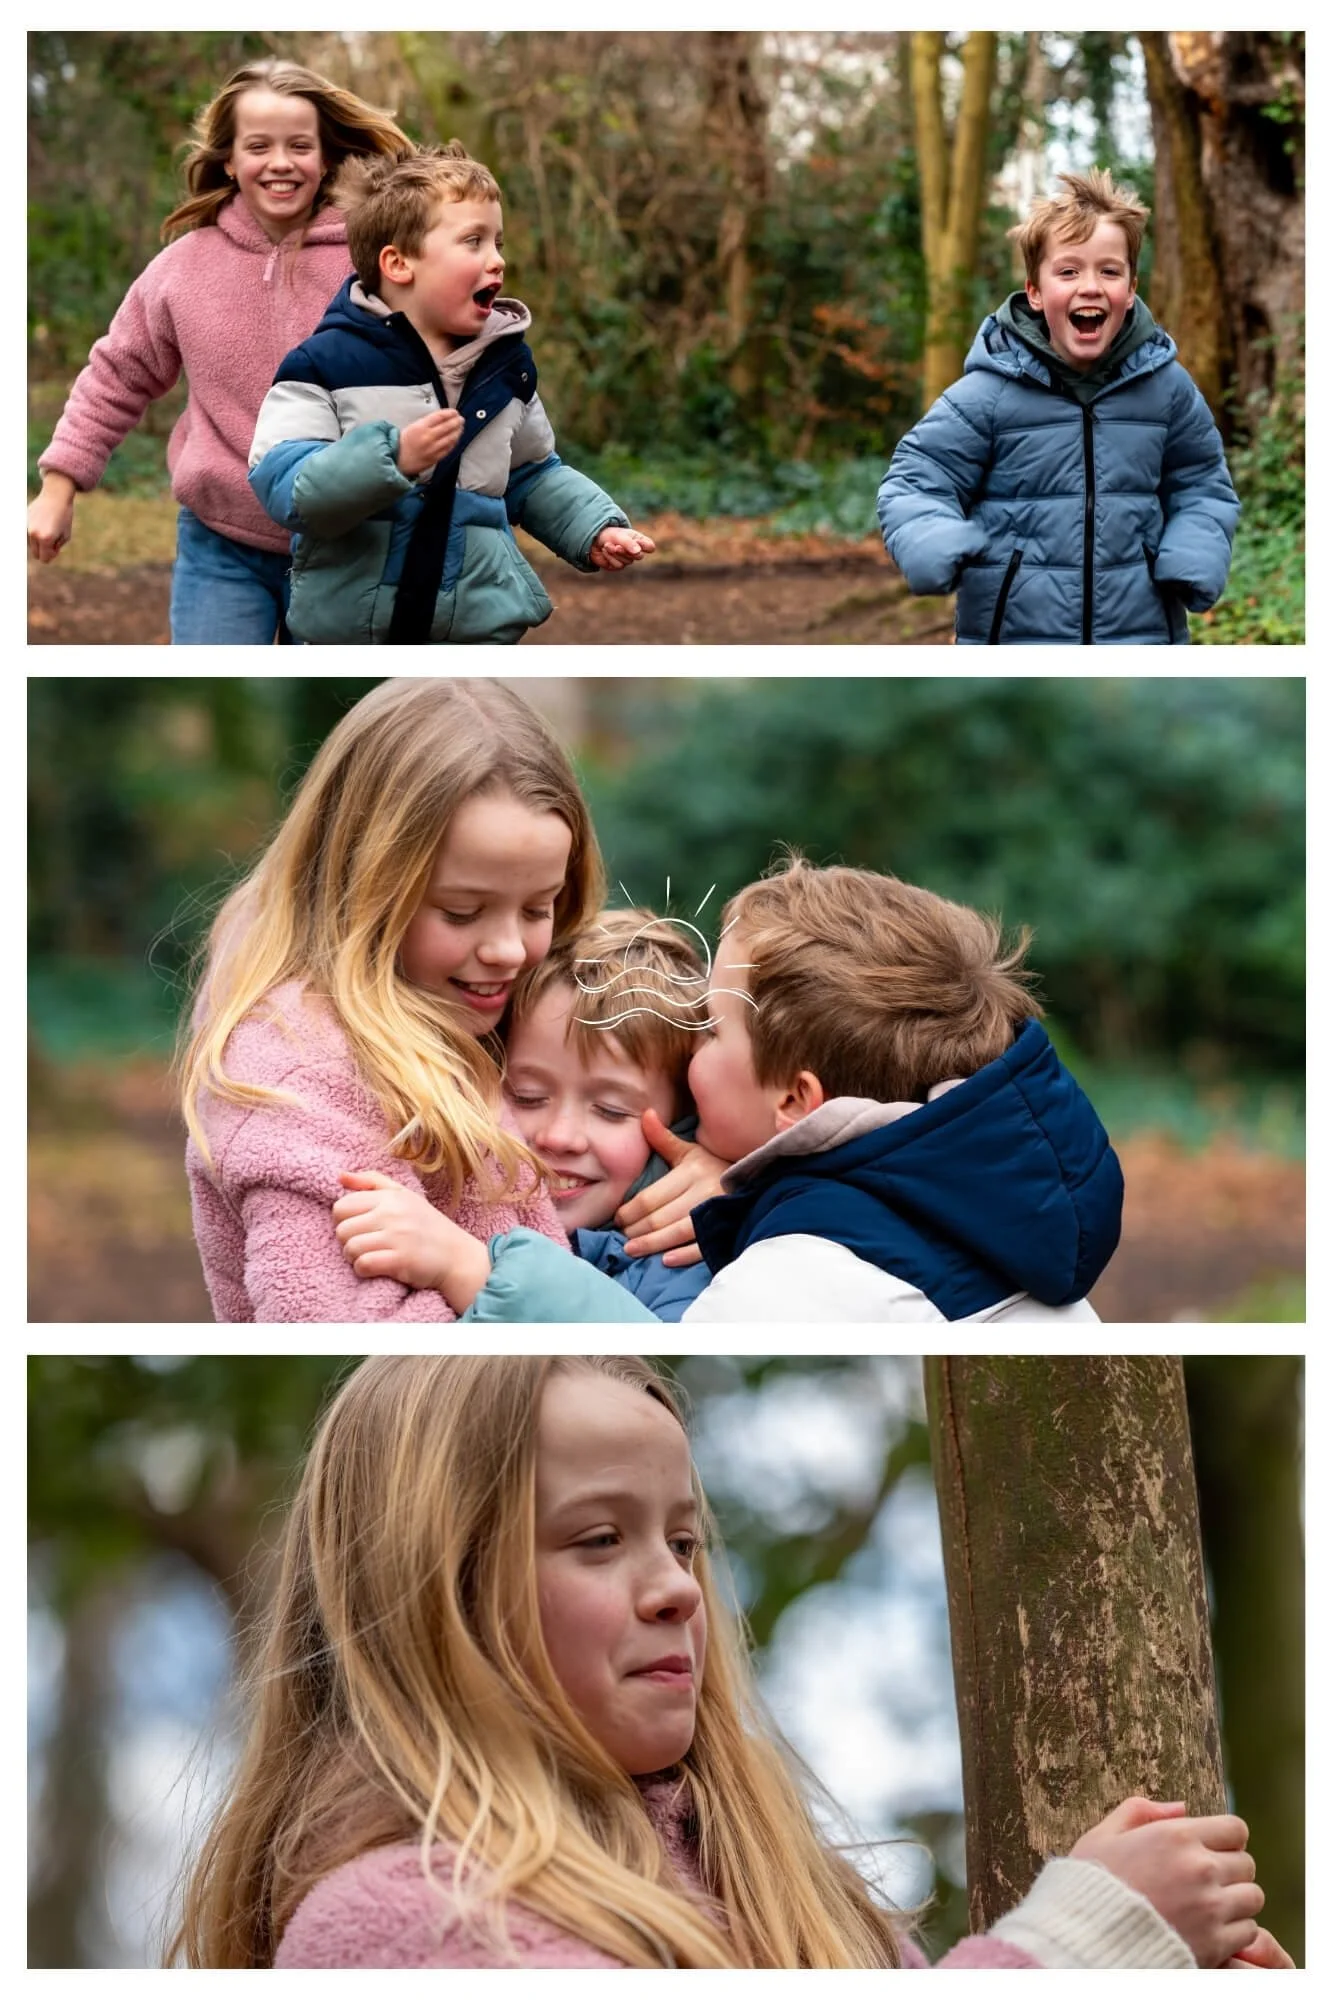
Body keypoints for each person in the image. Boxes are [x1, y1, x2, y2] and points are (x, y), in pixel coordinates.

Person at [172, 1354, 1290, 1968]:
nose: (675, 1586)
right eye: (598, 1538)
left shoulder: (796, 1896)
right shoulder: (403, 1925)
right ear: (437, 1588)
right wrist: (1082, 1944)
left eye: (685, 1538)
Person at [352, 859, 1123, 1323]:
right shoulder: (972, 1196)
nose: (691, 1055)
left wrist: (473, 1272)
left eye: (713, 1030)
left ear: (795, 1102)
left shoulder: (786, 1281)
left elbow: (644, 1366)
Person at [179, 678, 602, 1321]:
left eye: (538, 908)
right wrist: (485, 1277)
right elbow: (332, 1330)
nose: (509, 950)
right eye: (462, 913)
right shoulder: (300, 1075)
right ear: (364, 882)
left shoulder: (506, 1001)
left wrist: (718, 1193)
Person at [28, 59, 413, 644]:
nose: (280, 162)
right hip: (222, 546)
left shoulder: (373, 260)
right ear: (230, 160)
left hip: (354, 543)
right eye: (258, 146)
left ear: (327, 156)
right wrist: (58, 489)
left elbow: (442, 356)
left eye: (299, 146)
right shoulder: (182, 269)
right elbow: (117, 374)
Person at [247, 144, 655, 644]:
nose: (498, 260)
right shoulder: (324, 366)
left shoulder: (507, 368)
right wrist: (390, 459)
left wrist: (595, 527)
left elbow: (531, 473)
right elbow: (288, 484)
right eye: (474, 242)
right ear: (399, 264)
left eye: (498, 242)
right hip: (350, 636)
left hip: (474, 628)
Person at [876, 169, 1240, 645]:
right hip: (1013, 641)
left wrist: (1194, 550)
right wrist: (932, 537)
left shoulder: (1167, 389)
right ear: (1035, 291)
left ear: (1131, 290)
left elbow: (1202, 483)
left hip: (1142, 636)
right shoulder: (988, 393)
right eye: (1068, 271)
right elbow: (915, 480)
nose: (1090, 286)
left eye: (1109, 271)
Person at [464, 909, 713, 1321]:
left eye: (611, 1111)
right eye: (527, 1097)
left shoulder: (686, 1271)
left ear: (683, 1124)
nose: (560, 1137)